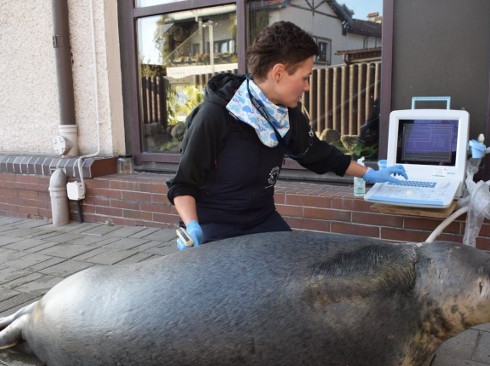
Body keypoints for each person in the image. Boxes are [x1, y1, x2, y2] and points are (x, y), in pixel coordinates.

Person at [166, 21, 407, 250]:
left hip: (263, 220)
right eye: (305, 77)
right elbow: (183, 184)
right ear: (279, 72)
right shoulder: (215, 115)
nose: (307, 87)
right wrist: (192, 226)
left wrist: (371, 173)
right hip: (215, 225)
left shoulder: (287, 114)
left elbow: (320, 155)